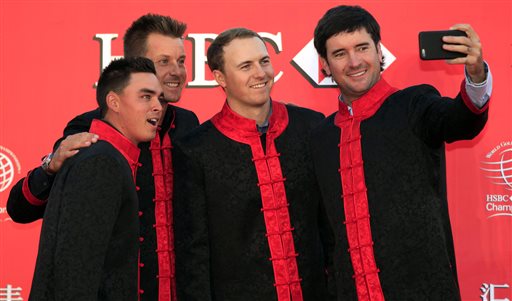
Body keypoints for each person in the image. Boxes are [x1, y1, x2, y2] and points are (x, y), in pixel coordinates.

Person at [7, 14, 198, 301]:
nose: (177, 71)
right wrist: (50, 167)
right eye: (164, 61)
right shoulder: (91, 131)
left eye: (181, 61)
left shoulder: (189, 125)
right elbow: (21, 210)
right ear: (137, 67)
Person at [311, 5, 492, 301]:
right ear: (325, 64)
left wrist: (476, 74)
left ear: (380, 51)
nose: (354, 61)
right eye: (340, 53)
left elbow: (462, 119)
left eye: (362, 47)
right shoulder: (320, 137)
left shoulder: (414, 104)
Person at [173, 27, 332, 301]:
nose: (260, 73)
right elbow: (193, 253)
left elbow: (330, 223)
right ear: (220, 77)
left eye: (264, 61)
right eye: (246, 66)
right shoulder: (195, 148)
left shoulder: (311, 126)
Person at [29, 57, 163, 300]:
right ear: (114, 101)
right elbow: (75, 269)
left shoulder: (106, 156)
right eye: (146, 96)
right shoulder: (101, 162)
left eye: (158, 98)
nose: (158, 106)